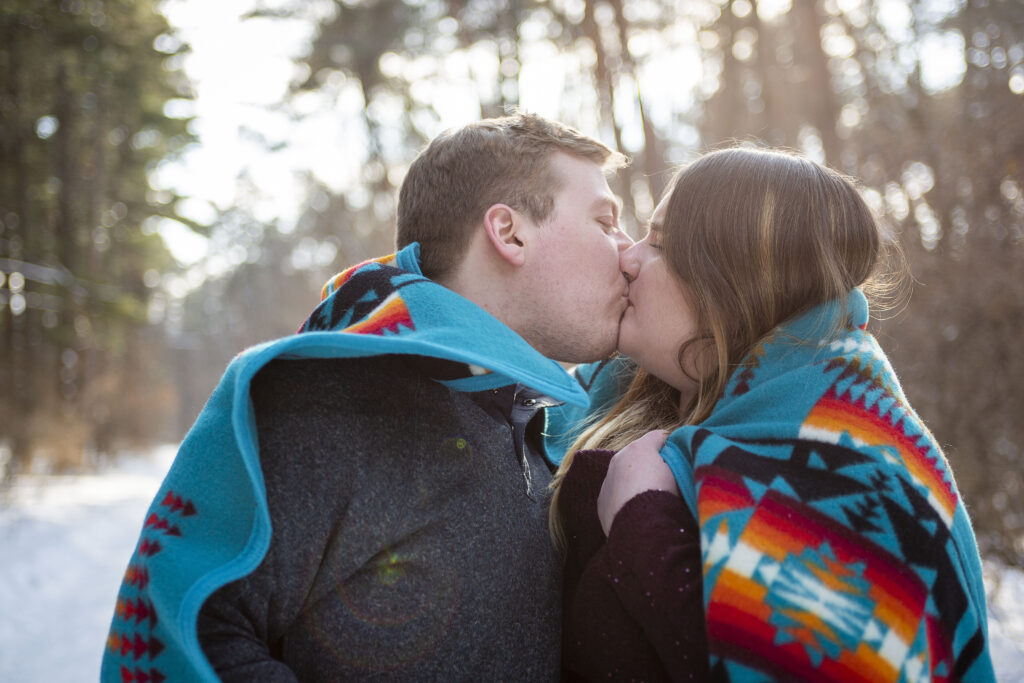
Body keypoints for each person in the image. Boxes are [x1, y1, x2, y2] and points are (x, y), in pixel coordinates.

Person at [100, 112, 633, 682]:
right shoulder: (327, 404)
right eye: (605, 222)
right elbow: (183, 631)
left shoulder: (544, 418)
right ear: (509, 233)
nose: (628, 251)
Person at [546, 147, 996, 681]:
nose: (628, 256)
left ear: (734, 284)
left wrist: (641, 517)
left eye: (661, 244)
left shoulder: (853, 465)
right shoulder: (623, 395)